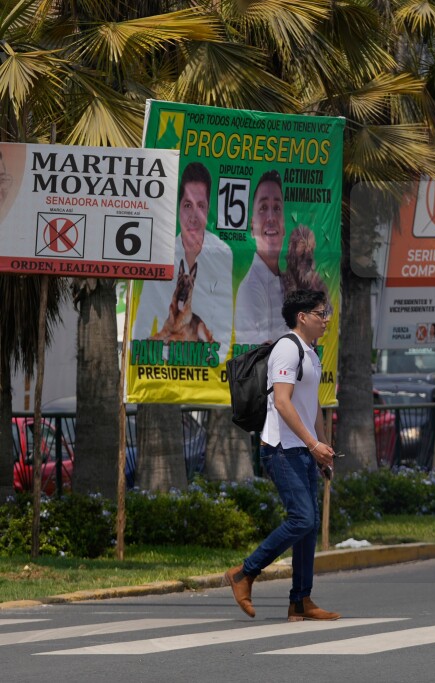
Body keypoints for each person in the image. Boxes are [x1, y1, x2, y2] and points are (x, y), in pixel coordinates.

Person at [226, 289, 339, 622]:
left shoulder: (311, 353)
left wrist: (321, 447)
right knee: (301, 518)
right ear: (302, 317)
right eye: (321, 313)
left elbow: (311, 405)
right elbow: (284, 403)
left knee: (309, 526)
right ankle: (244, 573)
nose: (326, 319)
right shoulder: (287, 349)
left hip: (302, 449)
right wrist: (311, 443)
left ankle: (301, 601)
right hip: (280, 449)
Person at [132, 161, 232, 363]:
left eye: (201, 206)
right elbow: (142, 323)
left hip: (207, 368)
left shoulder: (222, 254)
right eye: (187, 205)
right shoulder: (160, 252)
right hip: (163, 367)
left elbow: (224, 329)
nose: (193, 217)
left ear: (208, 209)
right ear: (178, 208)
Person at [234, 170, 288, 345]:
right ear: (252, 226)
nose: (271, 217)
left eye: (277, 208)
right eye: (263, 208)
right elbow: (262, 354)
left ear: (284, 226)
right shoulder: (250, 289)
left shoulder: (287, 283)